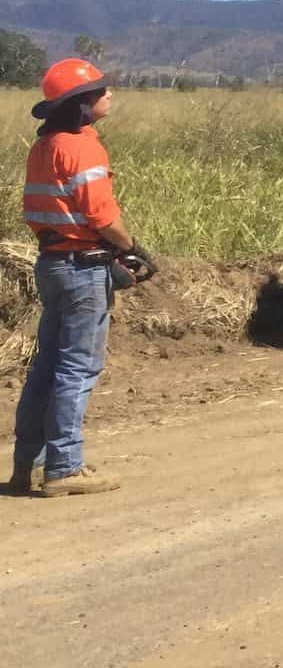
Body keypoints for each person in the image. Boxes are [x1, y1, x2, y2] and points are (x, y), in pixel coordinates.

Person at [8, 57, 147, 498]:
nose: (110, 96)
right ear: (82, 105)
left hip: (51, 264)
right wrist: (132, 248)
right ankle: (64, 467)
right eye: (101, 92)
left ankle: (28, 466)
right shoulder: (82, 148)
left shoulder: (44, 147)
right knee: (77, 368)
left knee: (46, 366)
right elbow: (101, 215)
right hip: (83, 268)